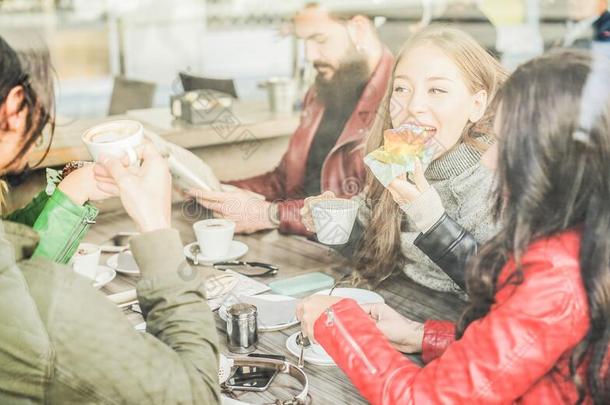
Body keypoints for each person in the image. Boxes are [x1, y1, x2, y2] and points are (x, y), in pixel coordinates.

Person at [297, 49, 610, 404]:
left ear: (554, 158)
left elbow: (424, 399)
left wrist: (334, 320)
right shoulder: (581, 240)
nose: (490, 158)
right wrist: (421, 335)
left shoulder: (556, 279)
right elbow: (528, 349)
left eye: (505, 143)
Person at [0, 36, 220, 403]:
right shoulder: (48, 307)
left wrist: (72, 191)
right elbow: (196, 395)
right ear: (16, 106)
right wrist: (156, 227)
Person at [305, 26, 507, 294]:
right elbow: (374, 255)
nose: (412, 106)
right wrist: (332, 222)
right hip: (403, 307)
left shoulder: (497, 180)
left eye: (436, 90)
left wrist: (431, 218)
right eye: (401, 88)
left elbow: (502, 292)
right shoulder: (396, 162)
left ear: (477, 105)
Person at [186, 3, 393, 235]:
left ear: (359, 29)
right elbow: (284, 183)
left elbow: (372, 212)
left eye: (320, 40)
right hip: (305, 249)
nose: (309, 55)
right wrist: (213, 191)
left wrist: (270, 215)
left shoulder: (401, 100)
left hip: (355, 262)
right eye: (303, 41)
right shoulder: (321, 92)